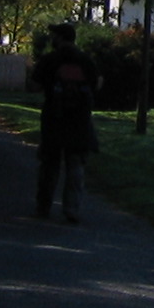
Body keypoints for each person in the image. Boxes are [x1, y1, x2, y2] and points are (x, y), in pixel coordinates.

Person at [31, 21, 101, 223]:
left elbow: (34, 85)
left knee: (49, 164)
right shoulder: (86, 60)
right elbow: (96, 84)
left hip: (54, 117)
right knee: (75, 165)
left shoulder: (49, 59)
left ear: (60, 38)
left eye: (54, 36)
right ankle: (72, 208)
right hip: (79, 119)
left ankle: (44, 206)